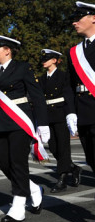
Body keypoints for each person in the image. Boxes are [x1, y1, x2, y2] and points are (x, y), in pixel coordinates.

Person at [0, 35, 50, 222]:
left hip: (19, 121)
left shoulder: (22, 67)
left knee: (18, 163)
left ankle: (19, 206)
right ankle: (32, 189)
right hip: (0, 123)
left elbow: (37, 96)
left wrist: (43, 123)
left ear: (7, 50)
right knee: (4, 164)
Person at [40, 49, 80, 192]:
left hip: (61, 114)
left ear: (55, 60)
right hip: (48, 116)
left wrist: (71, 113)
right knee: (53, 147)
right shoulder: (42, 79)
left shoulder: (63, 76)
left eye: (47, 58)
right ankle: (73, 168)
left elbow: (68, 95)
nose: (43, 61)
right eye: (43, 59)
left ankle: (61, 179)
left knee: (63, 148)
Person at [67, 1, 95, 181]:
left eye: (78, 18)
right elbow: (69, 86)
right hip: (84, 112)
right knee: (92, 160)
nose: (74, 23)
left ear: (94, 18)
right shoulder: (74, 52)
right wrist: (71, 112)